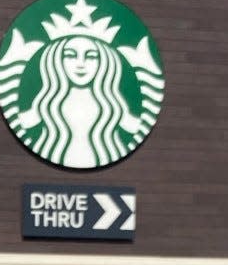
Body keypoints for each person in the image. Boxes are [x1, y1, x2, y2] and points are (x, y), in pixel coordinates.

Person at [17, 34, 144, 169]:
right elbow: (23, 122)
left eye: (91, 56)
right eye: (71, 55)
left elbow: (136, 127)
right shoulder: (45, 105)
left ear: (104, 62)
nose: (81, 64)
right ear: (57, 60)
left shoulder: (114, 108)